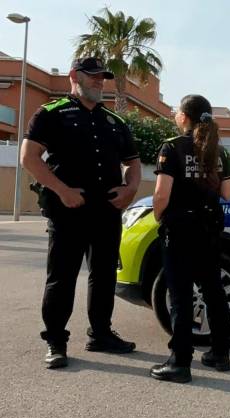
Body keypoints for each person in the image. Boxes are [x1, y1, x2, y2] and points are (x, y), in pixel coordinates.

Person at [20, 57, 140, 369]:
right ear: (75, 76)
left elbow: (133, 162)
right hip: (68, 211)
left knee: (102, 277)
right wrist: (62, 190)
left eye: (103, 77)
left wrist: (130, 190)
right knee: (62, 277)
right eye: (94, 76)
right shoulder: (51, 114)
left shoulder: (114, 121)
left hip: (107, 212)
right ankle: (56, 342)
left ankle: (100, 334)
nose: (101, 82)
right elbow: (29, 157)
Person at [149, 94, 230, 383]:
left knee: (181, 295)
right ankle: (220, 354)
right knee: (213, 290)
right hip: (209, 229)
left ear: (184, 117)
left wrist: (158, 216)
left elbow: (161, 194)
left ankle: (180, 362)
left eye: (177, 112)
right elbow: (227, 194)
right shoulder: (219, 152)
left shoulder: (172, 148)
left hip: (181, 229)